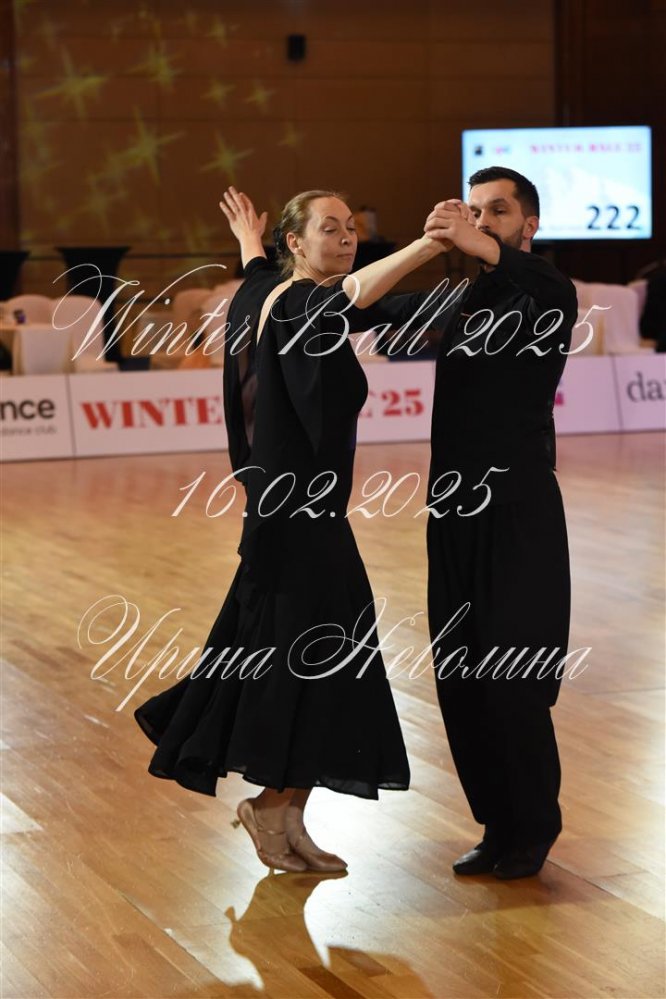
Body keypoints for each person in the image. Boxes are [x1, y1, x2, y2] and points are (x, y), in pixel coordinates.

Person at [134, 186, 448, 873]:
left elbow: (261, 276)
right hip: (296, 525)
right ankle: (271, 806)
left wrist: (251, 245)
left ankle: (284, 810)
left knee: (317, 667)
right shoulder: (300, 303)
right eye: (329, 229)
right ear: (297, 245)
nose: (347, 237)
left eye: (351, 228)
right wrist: (429, 244)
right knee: (307, 669)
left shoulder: (260, 291)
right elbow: (346, 299)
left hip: (299, 518)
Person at [423, 167, 578, 880]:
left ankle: (532, 827)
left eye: (498, 210)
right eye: (474, 209)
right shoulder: (462, 298)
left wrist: (474, 243)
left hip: (518, 512)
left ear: (529, 225)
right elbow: (369, 308)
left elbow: (541, 283)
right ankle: (496, 822)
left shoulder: (548, 291)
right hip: (451, 511)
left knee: (513, 677)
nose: (482, 221)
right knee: (460, 677)